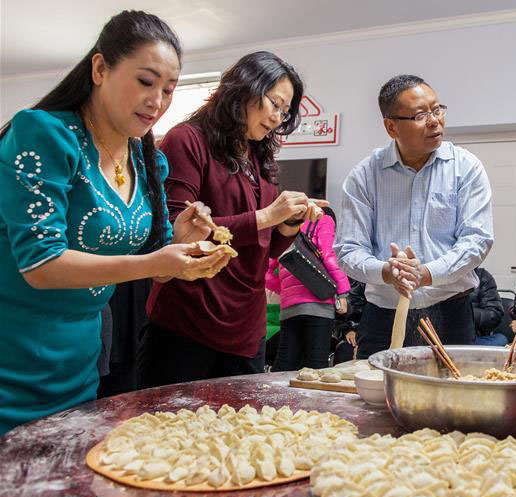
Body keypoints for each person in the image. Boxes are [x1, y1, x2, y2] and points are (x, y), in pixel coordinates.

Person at [0, 11, 228, 434]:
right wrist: (156, 262)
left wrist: (183, 240)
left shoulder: (147, 160)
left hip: (79, 363)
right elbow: (40, 264)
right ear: (100, 68)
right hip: (12, 358)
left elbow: (154, 263)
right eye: (146, 81)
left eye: (169, 89)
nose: (157, 101)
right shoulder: (45, 134)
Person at [143, 51, 326, 386]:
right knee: (174, 429)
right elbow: (175, 232)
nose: (277, 117)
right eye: (274, 103)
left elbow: (265, 247)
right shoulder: (187, 140)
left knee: (242, 431)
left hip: (245, 325)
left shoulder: (260, 156)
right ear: (244, 88)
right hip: (188, 321)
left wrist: (287, 222)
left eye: (284, 111)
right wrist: (269, 214)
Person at [336, 74, 493, 359]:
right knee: (377, 398)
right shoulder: (364, 176)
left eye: (437, 109)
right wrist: (386, 271)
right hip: (383, 315)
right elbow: (348, 251)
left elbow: (477, 241)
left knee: (452, 400)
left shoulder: (466, 168)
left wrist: (425, 274)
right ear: (391, 127)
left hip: (451, 313)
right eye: (421, 114)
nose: (434, 120)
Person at [266, 207, 351, 371]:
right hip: (318, 303)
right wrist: (342, 292)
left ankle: (275, 395)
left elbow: (266, 272)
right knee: (316, 365)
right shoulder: (324, 220)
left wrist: (286, 291)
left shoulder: (287, 228)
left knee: (285, 362)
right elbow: (328, 255)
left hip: (289, 307)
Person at [472, 267, 507, 346]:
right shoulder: (441, 276)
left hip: (475, 337)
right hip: (442, 338)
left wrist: (468, 313)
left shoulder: (481, 276)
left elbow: (494, 315)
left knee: (501, 339)